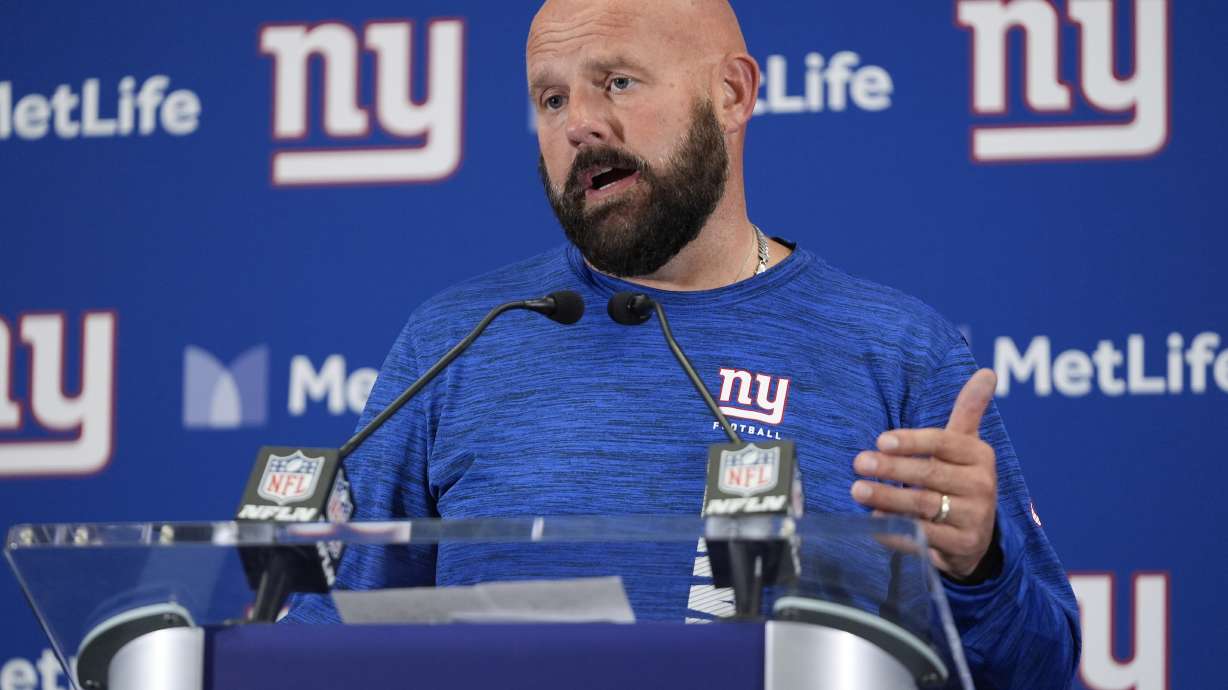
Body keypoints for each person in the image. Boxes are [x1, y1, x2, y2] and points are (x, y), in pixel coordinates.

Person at [287, 0, 1080, 686]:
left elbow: (1040, 668)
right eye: (551, 98)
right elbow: (327, 634)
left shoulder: (899, 351)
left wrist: (979, 569)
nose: (580, 124)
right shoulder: (457, 339)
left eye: (617, 83)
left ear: (732, 93)